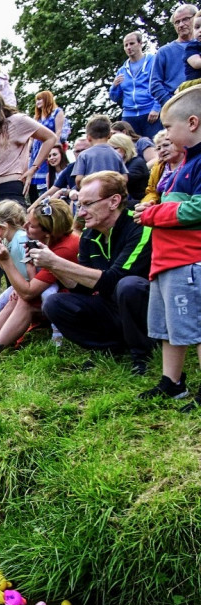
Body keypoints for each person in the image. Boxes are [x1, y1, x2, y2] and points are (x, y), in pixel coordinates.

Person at [34, 171, 153, 374]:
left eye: (88, 204)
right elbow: (82, 289)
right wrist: (53, 265)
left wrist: (58, 262)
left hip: (145, 308)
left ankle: (142, 353)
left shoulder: (139, 226)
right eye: (80, 205)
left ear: (114, 201)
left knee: (128, 286)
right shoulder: (89, 235)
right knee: (54, 303)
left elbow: (115, 280)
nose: (80, 213)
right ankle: (108, 347)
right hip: (110, 305)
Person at [0, 86, 58, 336]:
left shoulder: (16, 123)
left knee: (16, 256)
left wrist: (33, 168)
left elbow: (50, 137)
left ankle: (21, 316)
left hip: (9, 194)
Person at [134, 86, 201, 406]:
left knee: (195, 327)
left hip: (187, 260)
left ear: (192, 122)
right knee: (169, 328)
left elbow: (198, 208)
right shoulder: (181, 165)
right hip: (165, 261)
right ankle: (172, 382)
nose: (166, 135)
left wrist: (154, 213)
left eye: (169, 128)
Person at [0, 198, 80, 363]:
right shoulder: (46, 241)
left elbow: (29, 291)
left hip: (72, 303)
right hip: (54, 297)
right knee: (14, 300)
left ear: (48, 231)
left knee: (24, 300)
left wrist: (5, 260)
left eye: (31, 225)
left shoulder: (62, 248)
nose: (24, 227)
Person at [110, 31, 163, 139]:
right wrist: (114, 86)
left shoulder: (153, 61)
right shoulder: (122, 70)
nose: (129, 47)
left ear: (140, 44)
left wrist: (156, 108)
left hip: (150, 112)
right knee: (130, 149)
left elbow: (161, 85)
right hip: (129, 115)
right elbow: (115, 98)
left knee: (154, 146)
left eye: (132, 43)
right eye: (126, 45)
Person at [151, 4, 199, 108]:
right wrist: (170, 104)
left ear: (196, 18)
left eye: (185, 19)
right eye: (177, 22)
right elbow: (155, 84)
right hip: (177, 106)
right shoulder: (164, 52)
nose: (181, 25)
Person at [28, 91, 67, 203]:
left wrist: (52, 148)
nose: (38, 102)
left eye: (40, 99)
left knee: (47, 177)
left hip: (49, 146)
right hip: (36, 149)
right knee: (33, 180)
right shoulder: (37, 117)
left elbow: (58, 131)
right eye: (36, 100)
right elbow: (31, 137)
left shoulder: (57, 112)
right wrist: (29, 150)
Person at [74, 115, 127, 188]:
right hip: (112, 194)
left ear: (88, 137)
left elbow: (79, 179)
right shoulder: (116, 154)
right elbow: (125, 178)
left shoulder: (84, 155)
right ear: (110, 135)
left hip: (92, 194)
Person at [142, 131, 184, 205]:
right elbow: (152, 192)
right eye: (158, 148)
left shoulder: (191, 164)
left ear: (178, 144)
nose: (162, 150)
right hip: (160, 208)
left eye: (166, 145)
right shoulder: (158, 167)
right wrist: (147, 203)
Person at [109, 132, 149, 206]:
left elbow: (121, 182)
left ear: (125, 147)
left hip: (142, 203)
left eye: (114, 148)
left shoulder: (137, 163)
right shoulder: (122, 164)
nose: (111, 153)